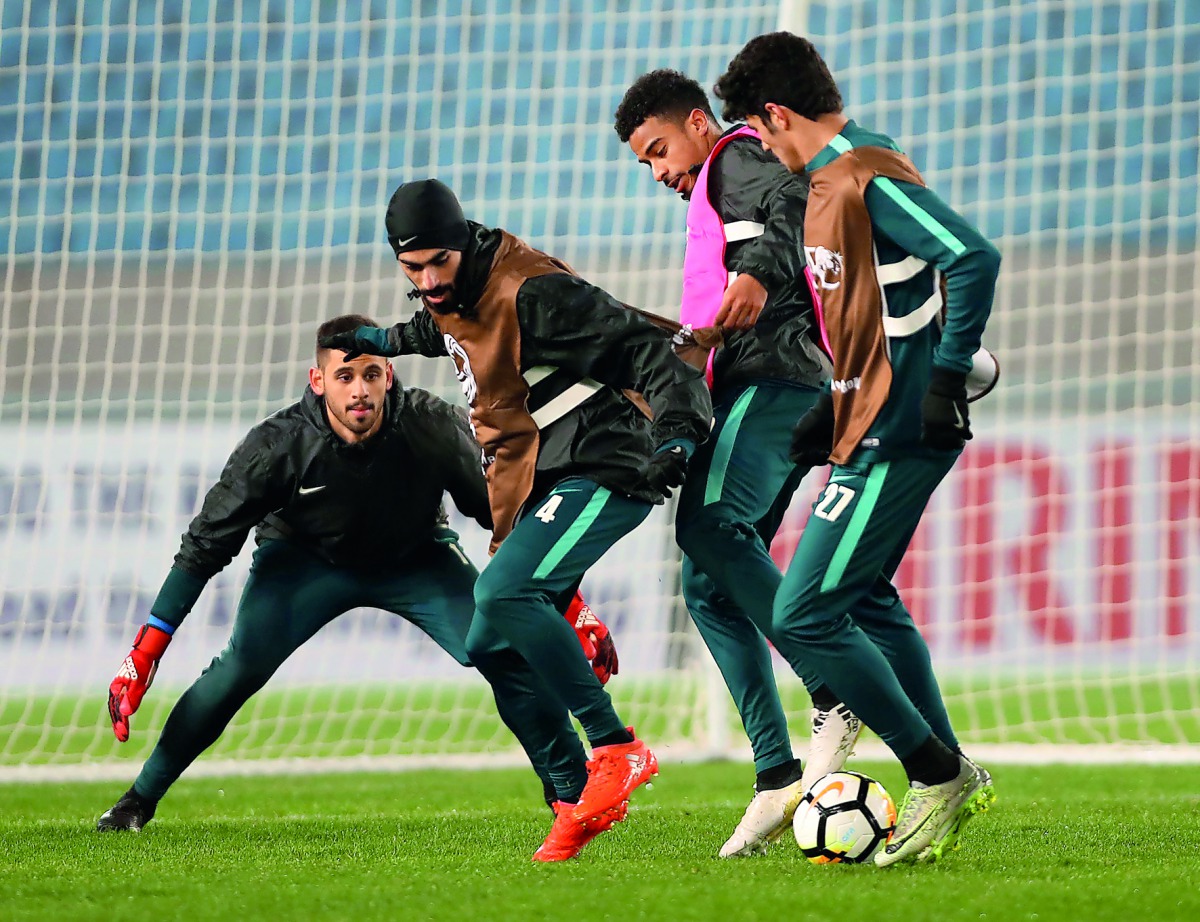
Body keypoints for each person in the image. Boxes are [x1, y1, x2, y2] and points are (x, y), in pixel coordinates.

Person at [97, 314, 619, 833]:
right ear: (317, 381)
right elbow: (203, 548)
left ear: (389, 377)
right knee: (237, 670)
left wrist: (571, 607)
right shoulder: (276, 446)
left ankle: (572, 795)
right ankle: (138, 800)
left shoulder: (430, 424)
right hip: (303, 563)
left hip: (417, 558)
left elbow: (506, 515)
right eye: (344, 377)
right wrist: (145, 652)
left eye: (371, 375)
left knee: (502, 647)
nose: (360, 391)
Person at [320, 178, 713, 862]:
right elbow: (435, 328)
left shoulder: (533, 291)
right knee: (491, 641)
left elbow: (640, 349)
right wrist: (379, 337)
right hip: (554, 475)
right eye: (412, 269)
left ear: (463, 241)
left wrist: (677, 431)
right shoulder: (451, 294)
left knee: (502, 592)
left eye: (437, 263)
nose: (428, 280)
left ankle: (618, 751)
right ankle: (572, 796)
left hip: (608, 459)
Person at [714, 32, 1000, 866]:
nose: (763, 148)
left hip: (905, 426)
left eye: (761, 133)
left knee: (806, 611)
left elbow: (972, 255)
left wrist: (947, 375)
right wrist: (831, 410)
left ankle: (937, 772)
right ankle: (949, 774)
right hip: (865, 420)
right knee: (865, 597)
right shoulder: (830, 183)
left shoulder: (861, 171)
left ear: (776, 113)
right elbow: (870, 316)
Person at [614, 69, 862, 858]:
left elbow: (796, 202)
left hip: (778, 375)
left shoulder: (737, 158)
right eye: (643, 163)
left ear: (696, 123)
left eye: (657, 150)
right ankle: (775, 773)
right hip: (763, 381)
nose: (657, 171)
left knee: (711, 526)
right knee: (705, 582)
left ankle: (833, 685)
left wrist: (756, 273)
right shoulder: (713, 189)